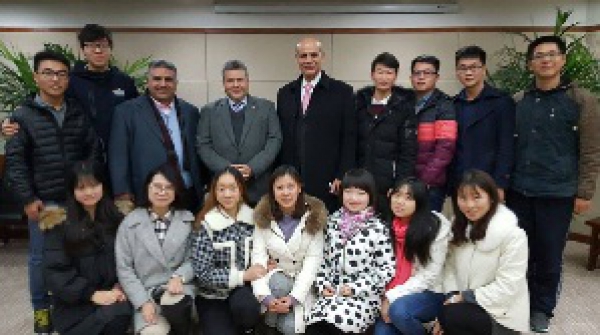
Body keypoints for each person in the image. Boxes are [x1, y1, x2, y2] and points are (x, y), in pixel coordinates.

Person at [507, 35, 600, 333]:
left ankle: (542, 309)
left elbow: (591, 149)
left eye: (552, 54)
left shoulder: (582, 100)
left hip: (557, 192)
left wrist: (585, 191)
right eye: (539, 55)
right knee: (520, 252)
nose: (545, 60)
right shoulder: (519, 101)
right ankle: (520, 302)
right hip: (519, 190)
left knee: (548, 255)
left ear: (562, 60)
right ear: (530, 64)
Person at [4, 50, 101, 334]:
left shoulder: (76, 112)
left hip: (79, 199)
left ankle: (72, 306)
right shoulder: (22, 116)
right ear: (36, 77)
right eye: (48, 73)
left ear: (68, 79)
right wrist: (28, 199)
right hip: (45, 202)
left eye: (61, 74)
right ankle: (41, 312)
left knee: (80, 253)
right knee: (42, 258)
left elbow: (92, 148)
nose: (55, 79)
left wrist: (87, 184)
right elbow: (15, 163)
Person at [1, 24, 138, 157]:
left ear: (110, 49)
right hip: (78, 152)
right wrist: (11, 120)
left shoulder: (124, 81)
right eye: (91, 45)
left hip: (119, 150)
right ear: (83, 50)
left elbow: (138, 112)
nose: (98, 51)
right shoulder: (70, 80)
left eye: (103, 45)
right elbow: (42, 101)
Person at [433, 170, 529, 335]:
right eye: (463, 198)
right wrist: (453, 296)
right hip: (465, 306)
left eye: (476, 197)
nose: (469, 205)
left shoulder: (513, 235)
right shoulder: (459, 228)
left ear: (492, 198)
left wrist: (463, 298)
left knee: (450, 316)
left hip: (501, 316)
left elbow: (508, 287)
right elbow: (449, 269)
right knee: (446, 316)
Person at [43, 160, 132, 335]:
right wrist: (91, 294)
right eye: (81, 188)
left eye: (94, 185)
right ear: (72, 190)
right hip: (76, 305)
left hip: (114, 296)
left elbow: (132, 259)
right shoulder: (59, 225)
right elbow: (55, 272)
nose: (89, 192)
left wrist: (120, 287)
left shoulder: (119, 218)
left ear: (103, 185)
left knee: (120, 314)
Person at [306, 169, 395, 335]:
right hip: (330, 295)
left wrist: (355, 288)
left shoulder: (378, 228)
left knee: (333, 328)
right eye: (348, 192)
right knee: (314, 326)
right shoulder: (332, 221)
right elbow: (322, 260)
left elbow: (386, 270)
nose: (353, 198)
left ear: (370, 196)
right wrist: (322, 284)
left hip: (362, 298)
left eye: (360, 193)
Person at [109, 60, 204, 212]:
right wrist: (123, 194)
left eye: (168, 79)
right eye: (157, 79)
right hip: (147, 194)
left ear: (176, 83)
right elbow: (118, 156)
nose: (163, 84)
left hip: (187, 192)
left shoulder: (190, 111)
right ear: (148, 82)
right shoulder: (126, 112)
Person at [277, 37, 356, 212]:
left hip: (327, 177)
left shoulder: (342, 92)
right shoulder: (285, 93)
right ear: (297, 59)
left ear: (322, 57)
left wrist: (343, 174)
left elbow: (349, 137)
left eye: (314, 55)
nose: (309, 60)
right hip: (292, 179)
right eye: (303, 55)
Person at [115, 164, 195, 335]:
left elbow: (194, 259)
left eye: (168, 187)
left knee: (174, 303)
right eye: (157, 186)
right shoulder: (130, 224)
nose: (162, 192)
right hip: (147, 294)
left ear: (176, 191)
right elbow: (125, 269)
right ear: (147, 188)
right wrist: (143, 302)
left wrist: (179, 277)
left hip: (179, 290)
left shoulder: (188, 220)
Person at [252, 165, 328, 334]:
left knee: (290, 329)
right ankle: (269, 321)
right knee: (278, 285)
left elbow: (312, 263)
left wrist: (294, 298)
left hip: (302, 283)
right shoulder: (263, 217)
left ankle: (275, 320)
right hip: (274, 281)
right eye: (279, 188)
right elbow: (257, 259)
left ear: (299, 188)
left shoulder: (313, 217)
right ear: (272, 191)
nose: (285, 193)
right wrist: (265, 297)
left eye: (290, 187)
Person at [198, 60, 282, 206]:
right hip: (223, 191)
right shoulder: (209, 111)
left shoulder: (266, 108)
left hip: (259, 189)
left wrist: (253, 168)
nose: (236, 85)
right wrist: (227, 171)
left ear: (247, 82)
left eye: (240, 80)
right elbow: (203, 145)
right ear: (223, 84)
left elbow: (274, 140)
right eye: (230, 81)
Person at [373, 177, 451, 335]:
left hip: (429, 292)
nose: (400, 201)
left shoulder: (434, 228)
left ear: (420, 201)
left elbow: (429, 275)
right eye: (397, 195)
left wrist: (390, 297)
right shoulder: (383, 224)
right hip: (391, 293)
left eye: (408, 198)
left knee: (400, 312)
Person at [191, 167, 262, 334]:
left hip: (243, 291)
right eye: (221, 189)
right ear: (214, 192)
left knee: (247, 308)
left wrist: (266, 264)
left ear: (241, 190)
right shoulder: (205, 224)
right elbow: (202, 273)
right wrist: (242, 276)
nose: (227, 194)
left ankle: (248, 328)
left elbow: (262, 251)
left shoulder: (254, 218)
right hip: (212, 295)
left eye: (233, 188)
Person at [356, 52, 417, 218]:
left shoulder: (404, 107)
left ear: (395, 76)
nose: (384, 77)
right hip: (360, 181)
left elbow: (408, 150)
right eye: (380, 72)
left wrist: (400, 184)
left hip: (388, 184)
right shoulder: (358, 104)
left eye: (389, 73)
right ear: (372, 74)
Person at [451, 46, 515, 201]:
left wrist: (500, 184)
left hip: (489, 181)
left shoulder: (501, 102)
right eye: (463, 68)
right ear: (457, 72)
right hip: (460, 181)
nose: (468, 72)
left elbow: (507, 146)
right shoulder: (453, 103)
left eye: (474, 67)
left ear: (484, 69)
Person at [410, 55, 457, 212]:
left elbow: (445, 149)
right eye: (417, 73)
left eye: (427, 73)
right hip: (406, 179)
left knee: (427, 229)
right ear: (411, 77)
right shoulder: (404, 101)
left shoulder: (444, 105)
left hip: (431, 184)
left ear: (437, 77)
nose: (421, 77)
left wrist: (424, 182)